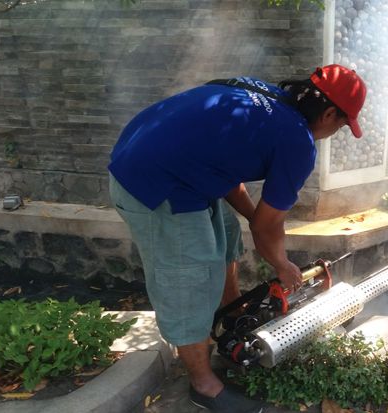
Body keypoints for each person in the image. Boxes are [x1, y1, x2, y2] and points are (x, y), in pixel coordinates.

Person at [107, 64, 367, 413]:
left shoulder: (262, 94)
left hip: (153, 159)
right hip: (155, 185)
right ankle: (204, 385)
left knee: (227, 235)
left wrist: (253, 218)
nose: (337, 131)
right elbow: (267, 228)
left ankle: (229, 322)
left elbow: (226, 166)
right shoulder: (298, 142)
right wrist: (282, 265)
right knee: (192, 277)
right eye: (341, 125)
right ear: (330, 112)